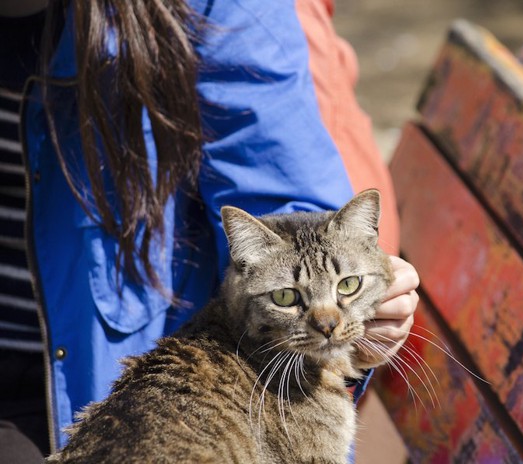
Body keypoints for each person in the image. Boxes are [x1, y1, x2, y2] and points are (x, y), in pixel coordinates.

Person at [0, 0, 419, 461]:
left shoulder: (215, 9)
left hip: (81, 390)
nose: (327, 318)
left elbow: (279, 183)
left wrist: (370, 310)